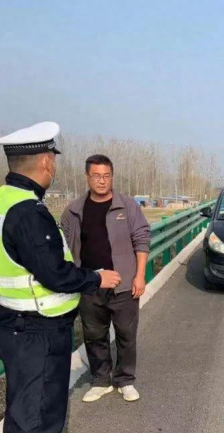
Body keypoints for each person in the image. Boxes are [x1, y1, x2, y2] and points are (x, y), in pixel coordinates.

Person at [0, 121, 121, 433]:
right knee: (36, 420)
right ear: (46, 161)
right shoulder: (28, 211)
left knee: (26, 417)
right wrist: (96, 278)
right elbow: (55, 273)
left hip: (15, 324)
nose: (54, 166)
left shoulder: (1, 200)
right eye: (53, 158)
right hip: (36, 332)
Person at [61, 154, 151, 403]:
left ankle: (125, 380)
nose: (102, 181)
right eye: (96, 176)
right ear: (87, 177)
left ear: (112, 176)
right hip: (90, 284)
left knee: (126, 335)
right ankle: (101, 381)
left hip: (124, 285)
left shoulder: (127, 206)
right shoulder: (73, 211)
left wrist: (139, 276)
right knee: (94, 335)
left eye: (106, 176)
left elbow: (142, 240)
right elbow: (64, 246)